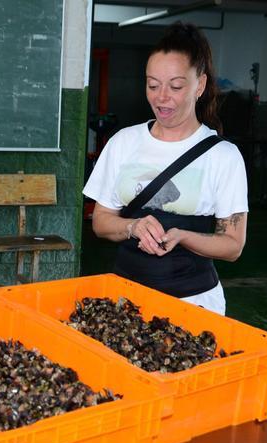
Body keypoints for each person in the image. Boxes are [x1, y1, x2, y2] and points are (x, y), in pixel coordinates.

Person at [83, 22, 248, 315]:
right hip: (124, 296)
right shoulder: (123, 142)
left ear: (199, 85)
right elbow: (101, 221)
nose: (161, 97)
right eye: (153, 85)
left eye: (175, 86)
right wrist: (132, 226)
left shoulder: (224, 156)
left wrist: (183, 236)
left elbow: (232, 245)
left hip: (194, 302)